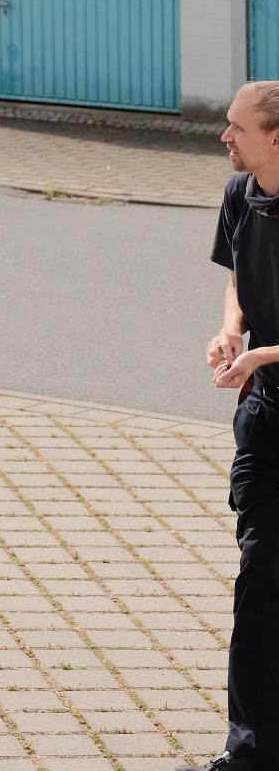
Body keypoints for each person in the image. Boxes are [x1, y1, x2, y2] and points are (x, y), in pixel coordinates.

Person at [192, 81, 279, 771]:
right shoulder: (239, 195)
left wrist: (263, 352)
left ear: (277, 137)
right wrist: (232, 331)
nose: (224, 137)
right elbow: (236, 283)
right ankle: (250, 750)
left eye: (237, 128)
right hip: (267, 413)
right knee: (260, 570)